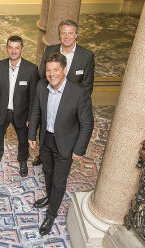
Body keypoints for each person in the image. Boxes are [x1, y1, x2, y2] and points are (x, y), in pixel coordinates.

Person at [28, 52, 93, 236]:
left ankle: (51, 214)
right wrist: (32, 134)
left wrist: (79, 149)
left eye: (56, 69)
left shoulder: (79, 93)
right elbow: (35, 110)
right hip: (46, 139)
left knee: (59, 181)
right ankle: (50, 197)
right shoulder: (42, 85)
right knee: (47, 172)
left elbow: (87, 124)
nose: (51, 74)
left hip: (66, 144)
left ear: (64, 70)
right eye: (48, 70)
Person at [35, 19, 95, 167]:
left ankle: (64, 154)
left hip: (71, 104)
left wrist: (79, 105)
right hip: (51, 97)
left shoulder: (86, 56)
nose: (66, 37)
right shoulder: (50, 50)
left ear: (76, 35)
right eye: (63, 33)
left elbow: (87, 85)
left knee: (65, 130)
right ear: (60, 35)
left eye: (70, 33)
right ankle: (43, 153)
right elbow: (42, 75)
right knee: (46, 126)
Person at [0, 36, 39, 176]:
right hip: (2, 112)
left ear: (22, 49)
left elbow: (34, 97)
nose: (13, 51)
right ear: (6, 49)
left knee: (23, 140)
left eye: (16, 47)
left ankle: (22, 160)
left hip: (22, 113)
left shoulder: (32, 69)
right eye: (10, 47)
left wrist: (31, 118)